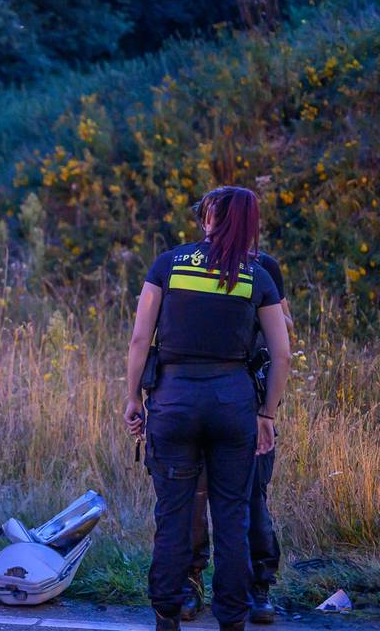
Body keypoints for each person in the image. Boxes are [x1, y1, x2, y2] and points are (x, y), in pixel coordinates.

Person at [123, 186, 292, 631]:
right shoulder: (258, 274)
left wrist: (132, 398)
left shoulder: (170, 263)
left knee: (173, 515)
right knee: (233, 515)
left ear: (209, 219)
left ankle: (167, 615)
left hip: (174, 401)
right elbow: (284, 353)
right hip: (232, 403)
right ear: (251, 223)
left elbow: (140, 339)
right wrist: (267, 414)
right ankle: (233, 620)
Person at [181, 192, 295, 625]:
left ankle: (258, 586)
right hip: (196, 397)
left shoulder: (265, 267)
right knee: (193, 498)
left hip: (248, 398)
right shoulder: (186, 263)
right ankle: (191, 581)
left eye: (217, 217)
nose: (210, 225)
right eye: (206, 217)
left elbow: (285, 336)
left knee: (251, 498)